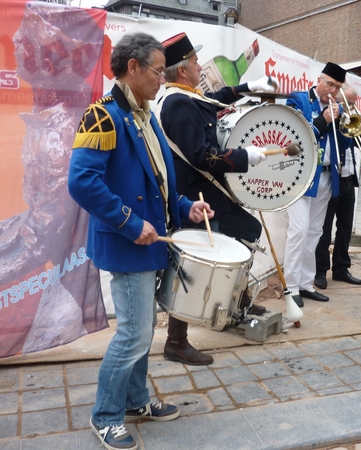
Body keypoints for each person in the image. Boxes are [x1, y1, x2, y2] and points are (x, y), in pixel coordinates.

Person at [68, 33, 215, 450]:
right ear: (132, 68)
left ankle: (135, 400)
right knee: (134, 333)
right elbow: (82, 182)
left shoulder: (145, 115)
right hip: (127, 242)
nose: (162, 78)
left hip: (149, 242)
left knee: (143, 329)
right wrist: (131, 224)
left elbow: (157, 184)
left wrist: (186, 206)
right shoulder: (102, 115)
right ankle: (105, 415)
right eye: (157, 71)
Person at [155, 32, 277, 365]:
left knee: (246, 232)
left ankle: (236, 304)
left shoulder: (185, 96)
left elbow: (214, 99)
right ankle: (176, 342)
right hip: (196, 197)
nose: (201, 66)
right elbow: (201, 155)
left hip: (207, 193)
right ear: (182, 70)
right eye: (196, 62)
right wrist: (244, 157)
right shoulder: (178, 103)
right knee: (192, 266)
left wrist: (247, 87)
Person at [284, 62, 347, 307]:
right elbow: (292, 140)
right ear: (319, 79)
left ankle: (306, 283)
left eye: (338, 87)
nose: (333, 91)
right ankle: (291, 287)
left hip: (326, 177)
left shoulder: (338, 108)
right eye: (330, 84)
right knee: (299, 231)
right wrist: (323, 120)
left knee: (315, 232)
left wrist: (341, 123)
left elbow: (345, 143)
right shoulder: (298, 100)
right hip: (301, 177)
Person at [314, 84, 361, 290]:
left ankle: (341, 268)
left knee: (345, 228)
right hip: (333, 177)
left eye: (353, 103)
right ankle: (320, 270)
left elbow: (359, 142)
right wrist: (338, 118)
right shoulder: (330, 117)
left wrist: (354, 122)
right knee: (324, 229)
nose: (350, 107)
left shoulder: (349, 117)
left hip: (349, 178)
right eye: (347, 103)